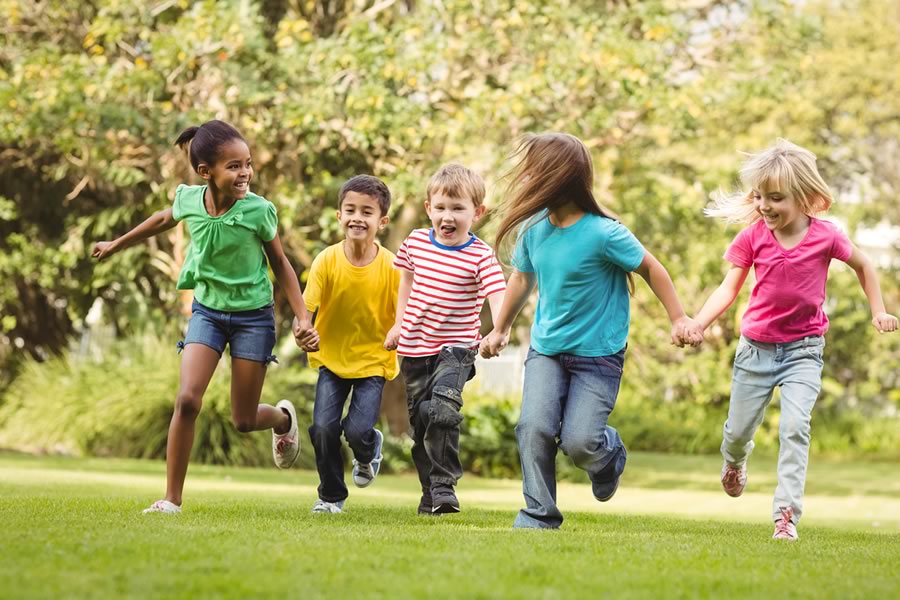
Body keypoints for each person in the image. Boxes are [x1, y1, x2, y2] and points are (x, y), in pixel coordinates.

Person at [92, 120, 319, 513]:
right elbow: (162, 219)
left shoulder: (259, 210)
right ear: (205, 172)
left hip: (253, 317)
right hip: (208, 313)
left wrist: (302, 317)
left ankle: (282, 419)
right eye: (233, 166)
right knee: (187, 400)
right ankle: (171, 500)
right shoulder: (190, 200)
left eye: (247, 164)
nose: (244, 172)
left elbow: (280, 263)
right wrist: (116, 243)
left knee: (244, 420)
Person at [480, 133, 703, 529]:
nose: (528, 179)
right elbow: (520, 280)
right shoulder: (534, 230)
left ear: (558, 177)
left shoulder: (605, 232)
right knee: (533, 427)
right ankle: (538, 514)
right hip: (547, 349)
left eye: (535, 171)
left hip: (597, 355)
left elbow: (651, 267)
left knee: (580, 443)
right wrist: (500, 328)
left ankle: (608, 456)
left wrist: (678, 318)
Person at [687, 138, 898, 540]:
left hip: (804, 350)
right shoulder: (752, 238)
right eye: (760, 197)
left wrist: (878, 310)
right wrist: (699, 322)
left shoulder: (827, 236)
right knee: (737, 432)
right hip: (755, 350)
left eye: (776, 198)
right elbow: (728, 289)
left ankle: (786, 516)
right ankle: (734, 461)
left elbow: (865, 264)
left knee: (795, 428)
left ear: (804, 198)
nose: (765, 206)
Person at [384, 164, 507, 514]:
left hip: (456, 349)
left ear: (477, 212)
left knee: (442, 409)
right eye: (440, 208)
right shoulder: (416, 243)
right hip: (413, 348)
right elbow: (405, 283)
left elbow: (498, 295)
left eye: (458, 209)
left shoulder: (480, 255)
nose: (447, 216)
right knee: (422, 422)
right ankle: (430, 492)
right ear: (428, 209)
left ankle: (444, 486)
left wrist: (499, 330)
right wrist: (398, 324)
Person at [298, 175, 400, 514]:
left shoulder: (392, 266)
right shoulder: (326, 260)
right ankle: (330, 497)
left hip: (373, 360)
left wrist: (399, 329)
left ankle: (368, 450)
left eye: (367, 212)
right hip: (332, 359)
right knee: (323, 429)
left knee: (357, 430)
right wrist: (303, 331)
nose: (358, 217)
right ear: (339, 215)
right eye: (350, 210)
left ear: (381, 221)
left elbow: (404, 310)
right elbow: (306, 311)